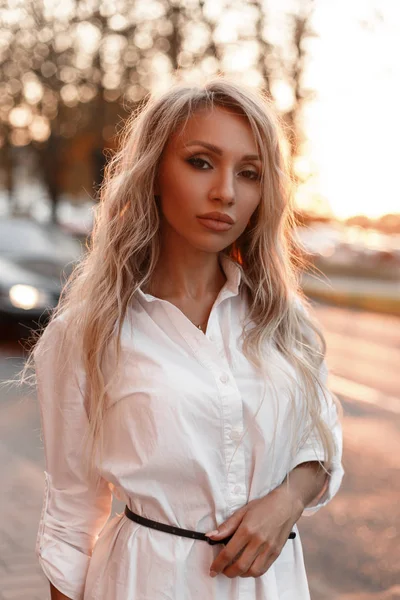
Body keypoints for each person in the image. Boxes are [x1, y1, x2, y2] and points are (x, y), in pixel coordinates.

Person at [31, 77, 344, 600]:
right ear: (153, 172)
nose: (226, 191)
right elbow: (70, 513)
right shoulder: (89, 331)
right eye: (201, 162)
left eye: (250, 174)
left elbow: (324, 446)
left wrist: (287, 500)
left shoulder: (285, 321)